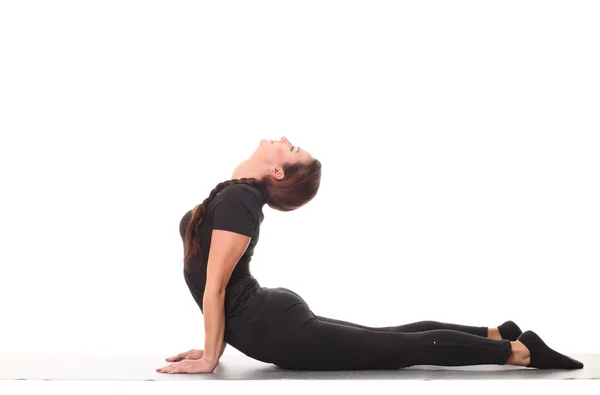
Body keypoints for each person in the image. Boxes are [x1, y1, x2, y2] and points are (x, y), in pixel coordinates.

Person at [156, 136, 584, 374]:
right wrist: (212, 345)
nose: (286, 139)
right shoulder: (237, 196)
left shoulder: (239, 202)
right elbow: (215, 286)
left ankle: (519, 350)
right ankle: (494, 332)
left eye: (291, 148)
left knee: (402, 348)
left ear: (277, 172)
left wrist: (211, 356)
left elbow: (214, 287)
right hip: (270, 322)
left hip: (275, 329)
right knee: (394, 337)